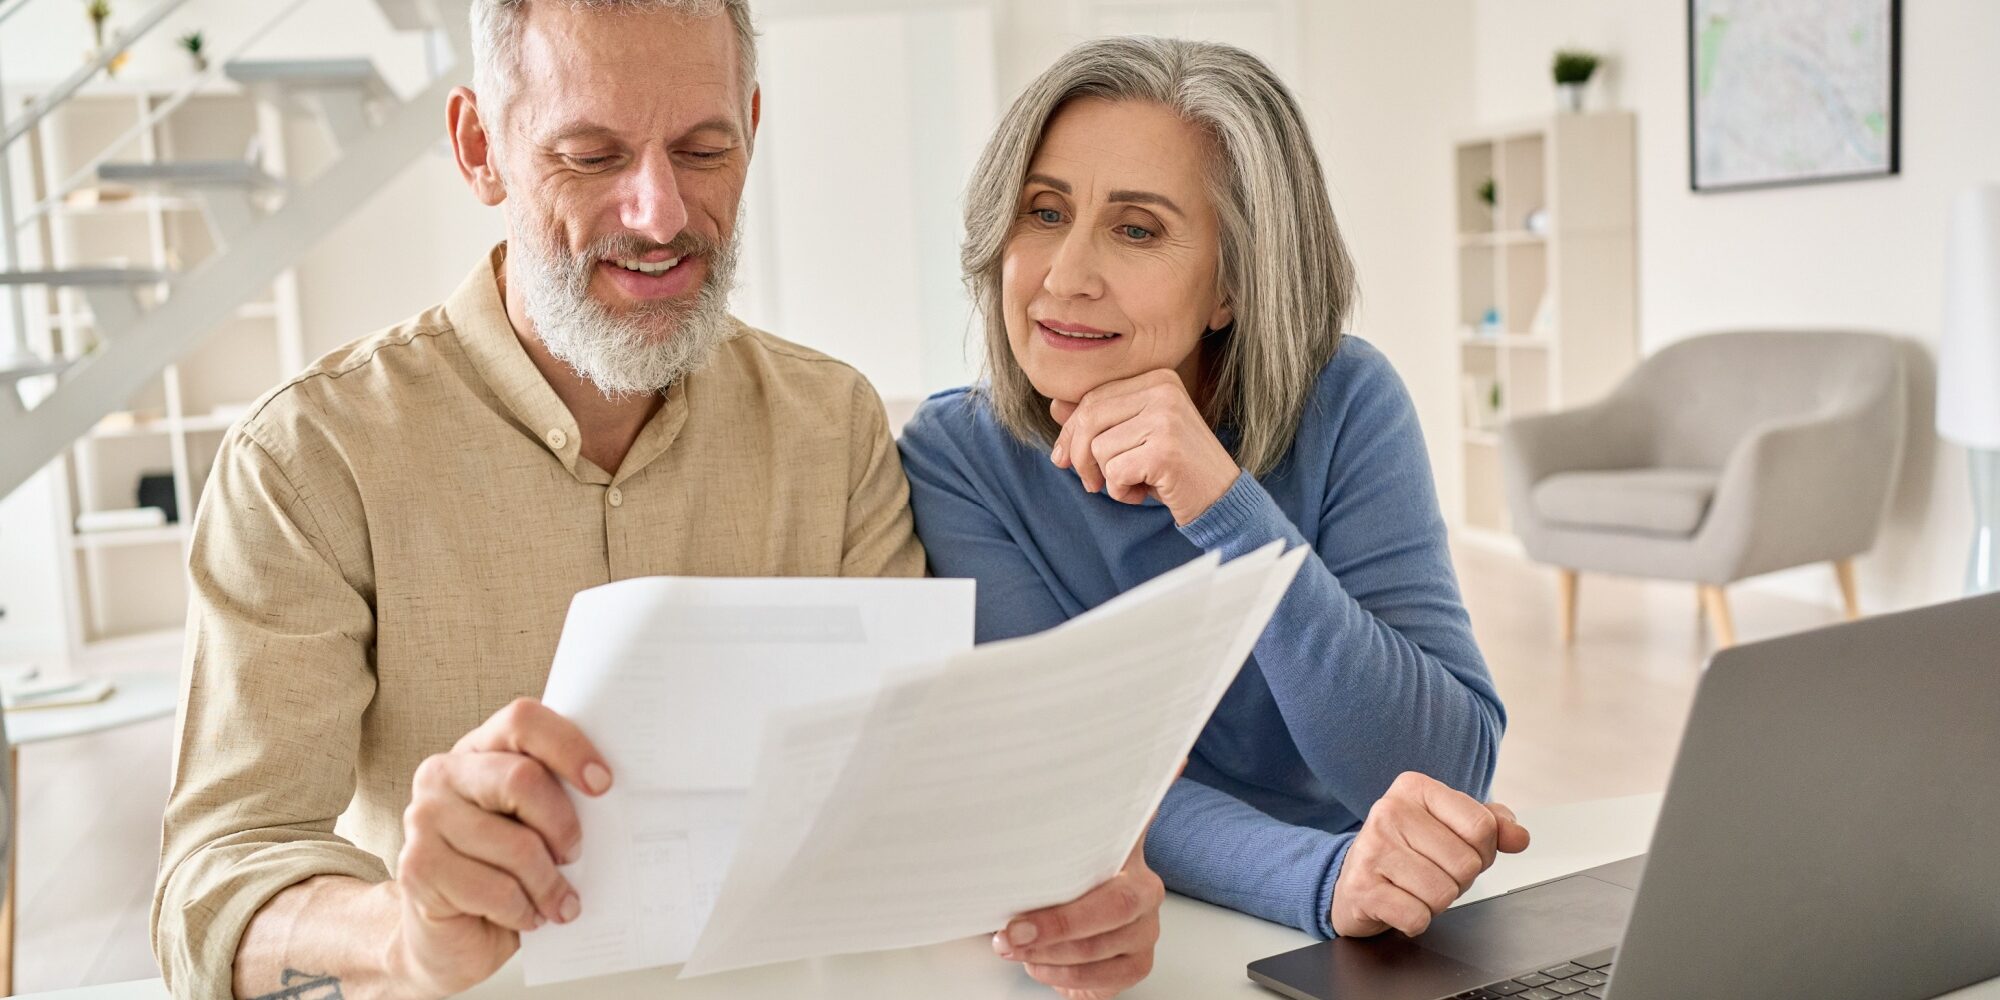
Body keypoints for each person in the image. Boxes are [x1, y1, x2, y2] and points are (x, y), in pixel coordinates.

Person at [151, 3, 1159, 998]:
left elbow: (903, 792)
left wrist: (1060, 878)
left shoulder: (829, 423)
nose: (661, 214)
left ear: (752, 130)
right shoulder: (308, 457)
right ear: (478, 147)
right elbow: (214, 885)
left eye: (703, 150)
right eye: (590, 155)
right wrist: (400, 933)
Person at [899, 35, 1529, 947]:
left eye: (1137, 228)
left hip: (1354, 927)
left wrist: (1227, 510)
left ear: (1231, 283)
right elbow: (1071, 774)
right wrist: (1319, 878)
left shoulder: (1347, 402)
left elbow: (1442, 769)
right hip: (1131, 923)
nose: (1064, 275)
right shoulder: (957, 455)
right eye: (1042, 213)